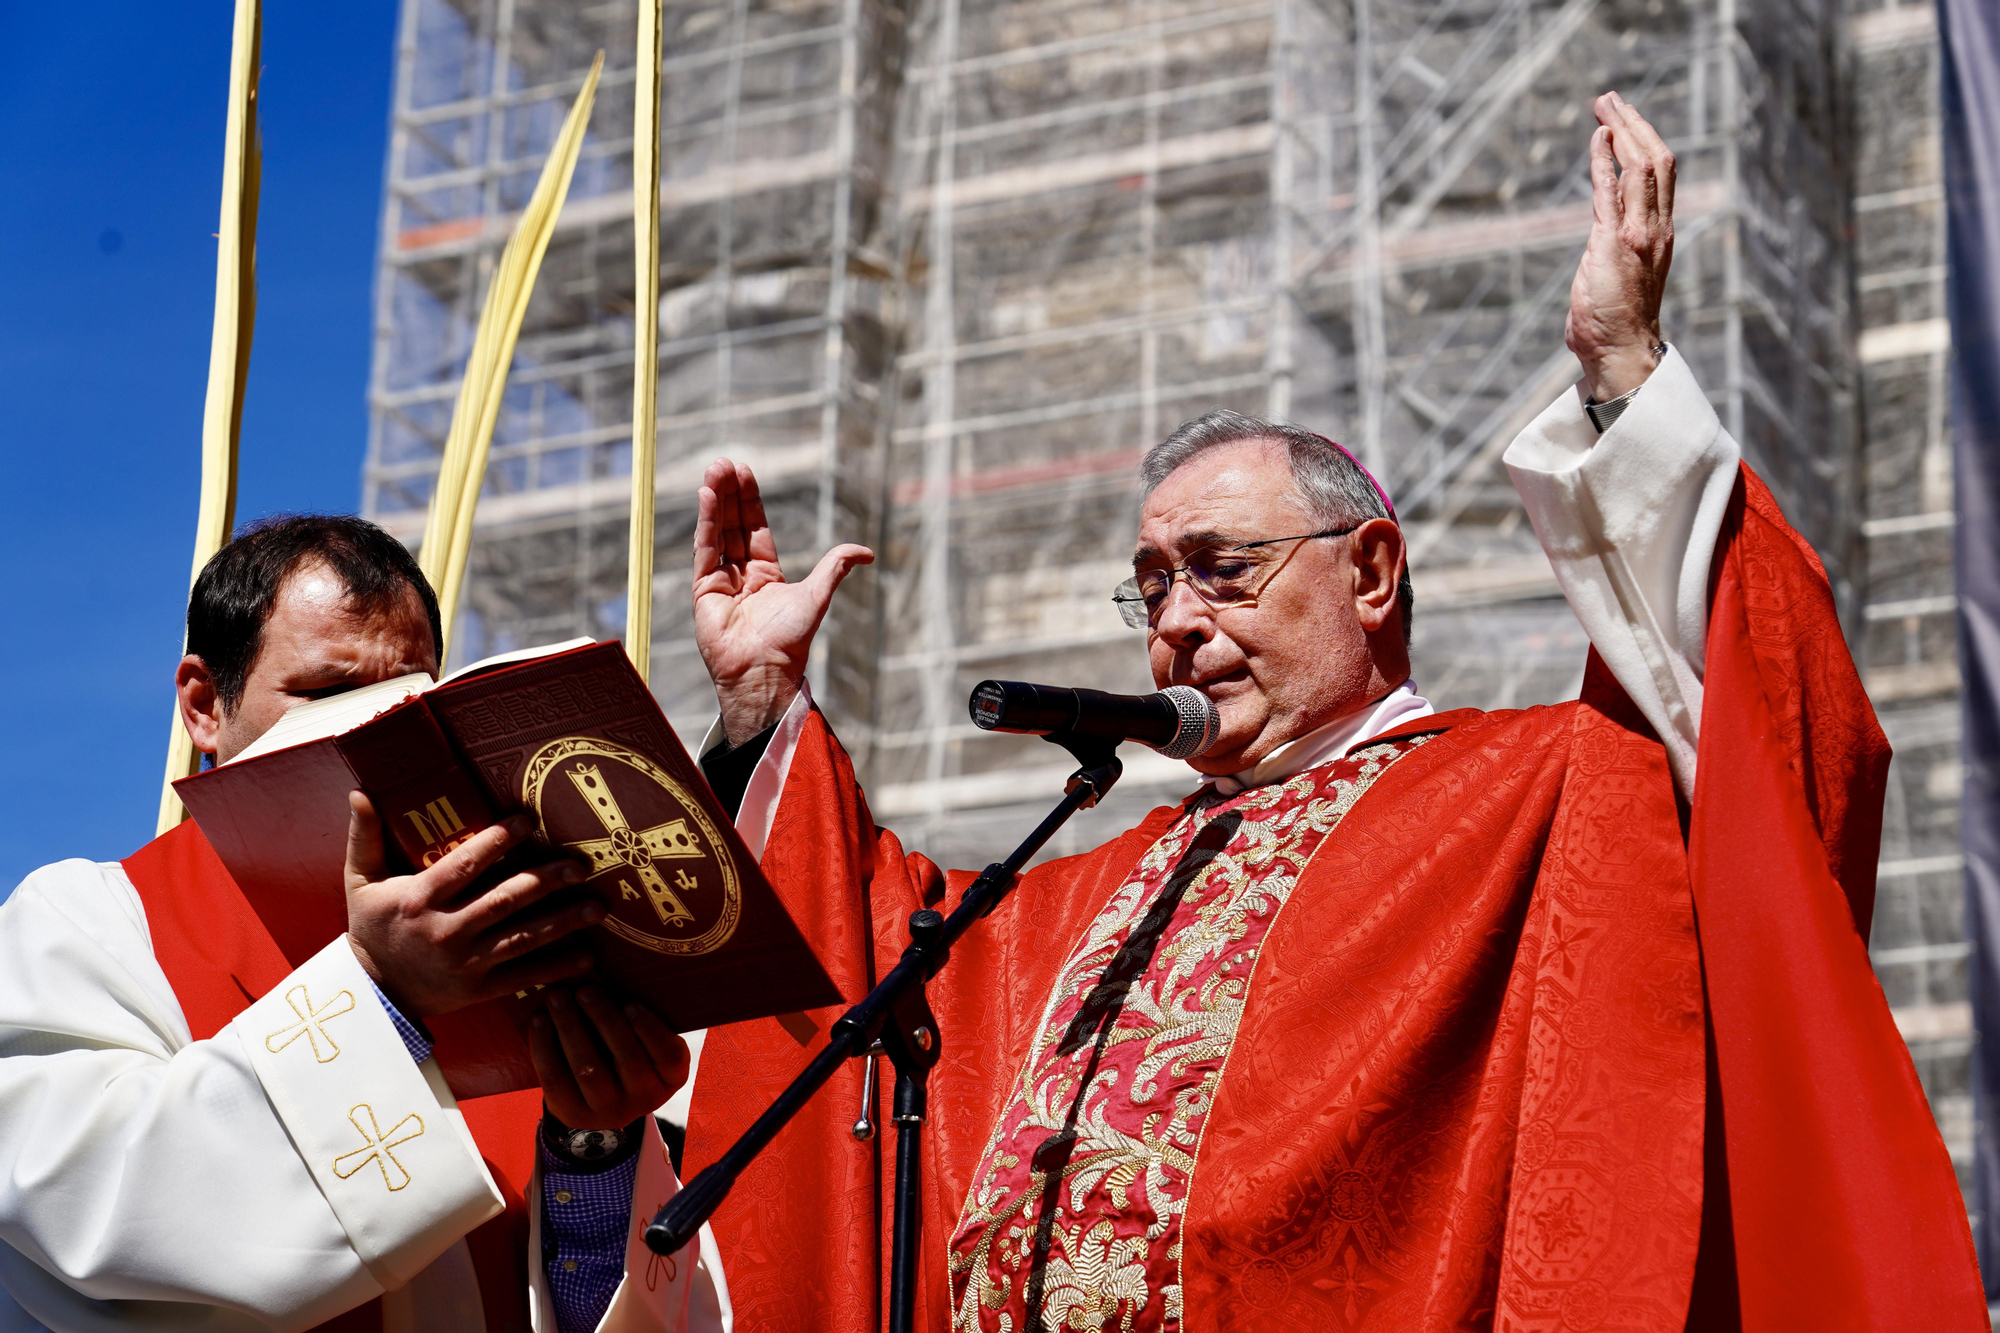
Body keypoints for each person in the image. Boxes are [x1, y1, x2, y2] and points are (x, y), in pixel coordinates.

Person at [677, 93, 1984, 1330]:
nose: (1176, 618)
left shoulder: (1540, 793)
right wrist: (760, 707)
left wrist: (1627, 379)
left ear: (1368, 573)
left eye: (1221, 567)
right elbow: (863, 958)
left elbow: (1760, 736)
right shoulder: (1091, 896)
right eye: (1150, 586)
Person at [0, 516, 727, 1332]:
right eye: (329, 695)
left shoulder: (513, 965)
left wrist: (591, 1150)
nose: (373, 735)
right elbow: (86, 1209)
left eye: (410, 699)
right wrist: (382, 998)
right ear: (205, 706)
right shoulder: (85, 924)